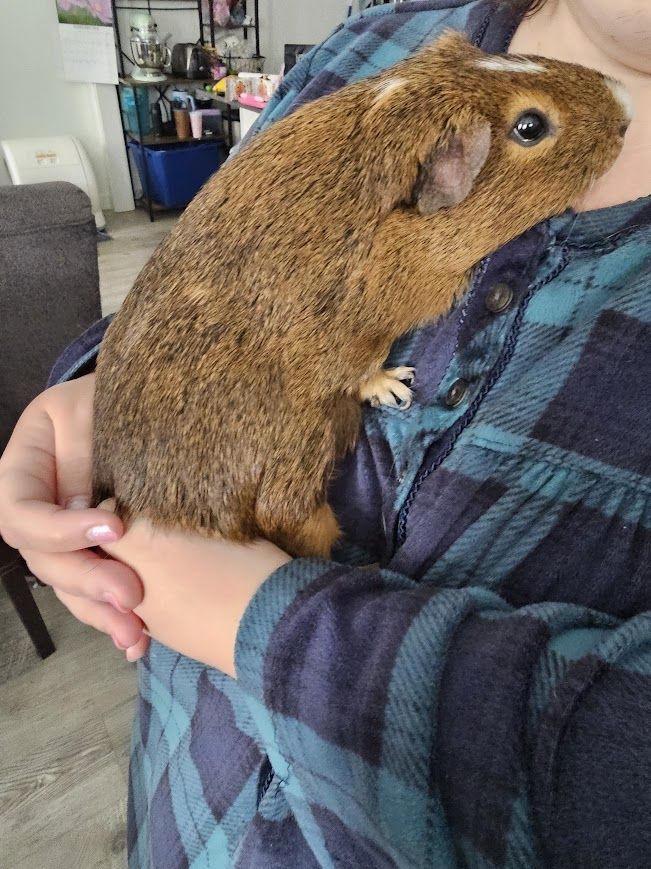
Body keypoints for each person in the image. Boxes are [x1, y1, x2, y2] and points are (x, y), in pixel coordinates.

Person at [1, 0, 650, 865]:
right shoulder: (366, 46)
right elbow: (210, 261)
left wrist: (251, 616)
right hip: (185, 795)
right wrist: (98, 393)